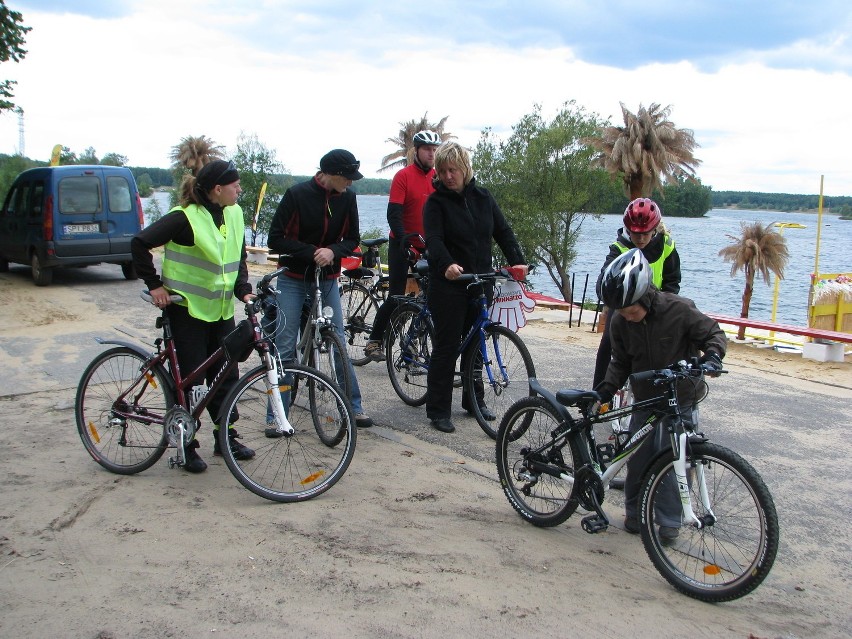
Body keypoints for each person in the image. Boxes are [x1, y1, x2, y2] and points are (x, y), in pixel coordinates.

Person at [131, 159, 256, 473]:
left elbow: (237, 256)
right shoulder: (184, 217)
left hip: (221, 309)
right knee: (191, 381)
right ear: (217, 189)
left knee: (226, 377)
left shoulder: (235, 213)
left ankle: (225, 436)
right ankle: (186, 444)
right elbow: (139, 243)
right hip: (187, 310)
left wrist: (244, 289)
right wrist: (155, 285)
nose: (240, 189)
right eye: (235, 184)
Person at [594, 248, 726, 542]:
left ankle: (669, 520)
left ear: (644, 297)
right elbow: (620, 362)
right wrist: (605, 389)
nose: (627, 317)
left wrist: (713, 356)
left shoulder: (679, 310)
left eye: (631, 311)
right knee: (638, 458)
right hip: (646, 400)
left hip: (682, 400)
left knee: (675, 462)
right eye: (622, 312)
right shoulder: (620, 321)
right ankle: (635, 512)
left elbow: (712, 333)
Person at [422, 142, 528, 433]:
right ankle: (439, 408)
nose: (447, 176)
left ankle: (474, 400)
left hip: (481, 280)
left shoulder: (483, 197)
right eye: (442, 171)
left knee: (477, 345)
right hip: (450, 283)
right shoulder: (436, 203)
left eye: (452, 170)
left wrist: (518, 262)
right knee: (448, 346)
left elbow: (503, 231)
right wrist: (446, 264)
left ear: (465, 168)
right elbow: (434, 240)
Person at [266, 149, 373, 428]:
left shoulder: (347, 198)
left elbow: (352, 239)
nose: (350, 183)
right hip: (293, 277)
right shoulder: (297, 195)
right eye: (347, 178)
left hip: (327, 279)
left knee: (337, 339)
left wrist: (333, 251)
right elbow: (275, 239)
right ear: (332, 174)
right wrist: (310, 251)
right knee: (286, 345)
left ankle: (353, 406)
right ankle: (277, 414)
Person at [362, 130, 441, 361]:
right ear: (416, 150)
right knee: (397, 295)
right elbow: (393, 214)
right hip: (402, 243)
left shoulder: (437, 178)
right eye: (427, 149)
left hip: (426, 246)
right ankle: (374, 341)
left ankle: (411, 341)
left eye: (435, 150)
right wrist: (406, 241)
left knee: (428, 297)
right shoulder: (403, 176)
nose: (432, 153)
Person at [592, 197, 681, 389]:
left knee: (665, 346)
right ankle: (597, 396)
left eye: (645, 234)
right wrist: (607, 294)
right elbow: (602, 282)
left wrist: (664, 307)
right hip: (624, 306)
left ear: (654, 229)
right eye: (635, 234)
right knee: (608, 342)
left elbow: (672, 282)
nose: (640, 239)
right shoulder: (620, 247)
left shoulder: (667, 246)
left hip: (655, 306)